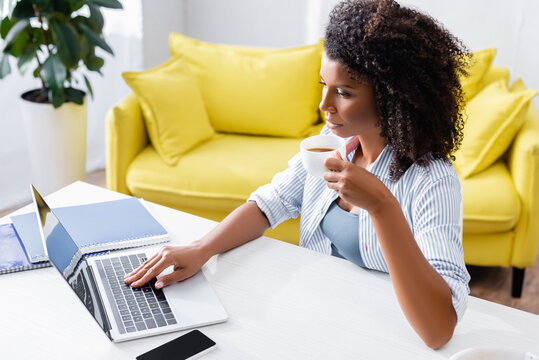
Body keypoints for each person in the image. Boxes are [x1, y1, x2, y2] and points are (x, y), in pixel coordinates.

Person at [125, 0, 471, 349]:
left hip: (378, 339)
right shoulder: (329, 145)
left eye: (344, 92)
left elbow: (438, 331)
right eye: (324, 84)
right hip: (308, 321)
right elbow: (269, 204)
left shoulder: (432, 181)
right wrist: (200, 250)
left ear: (394, 97)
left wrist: (383, 206)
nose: (324, 105)